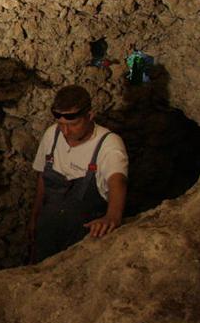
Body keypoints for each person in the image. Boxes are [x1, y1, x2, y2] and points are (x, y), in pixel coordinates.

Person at [29, 84, 128, 262]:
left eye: (73, 124)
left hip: (81, 241)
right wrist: (34, 217)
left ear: (89, 116)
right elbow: (43, 177)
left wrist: (113, 215)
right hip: (47, 232)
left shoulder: (108, 144)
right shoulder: (52, 135)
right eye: (61, 124)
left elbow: (117, 179)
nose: (65, 131)